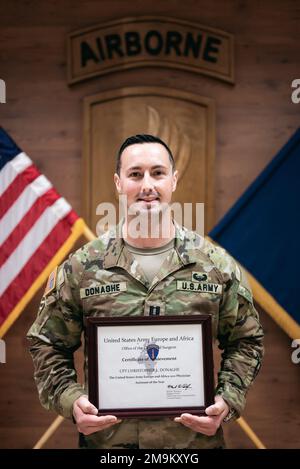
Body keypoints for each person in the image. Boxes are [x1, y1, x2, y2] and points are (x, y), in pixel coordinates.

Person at [27, 134, 264, 449]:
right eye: (135, 174)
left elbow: (247, 341)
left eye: (158, 173)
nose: (147, 185)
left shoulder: (215, 265)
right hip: (109, 449)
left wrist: (227, 398)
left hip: (192, 448)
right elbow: (47, 344)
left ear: (174, 180)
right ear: (118, 183)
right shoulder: (82, 267)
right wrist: (71, 400)